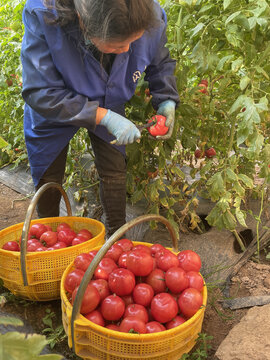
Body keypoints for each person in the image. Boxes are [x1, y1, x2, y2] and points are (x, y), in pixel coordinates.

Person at [21, 0, 180, 237]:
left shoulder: (149, 14)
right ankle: (49, 236)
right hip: (56, 103)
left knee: (114, 167)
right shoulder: (44, 14)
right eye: (117, 46)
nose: (127, 50)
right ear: (83, 23)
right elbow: (40, 92)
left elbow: (159, 60)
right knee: (48, 173)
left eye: (132, 41)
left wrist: (166, 98)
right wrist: (103, 117)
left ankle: (116, 237)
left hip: (110, 94)